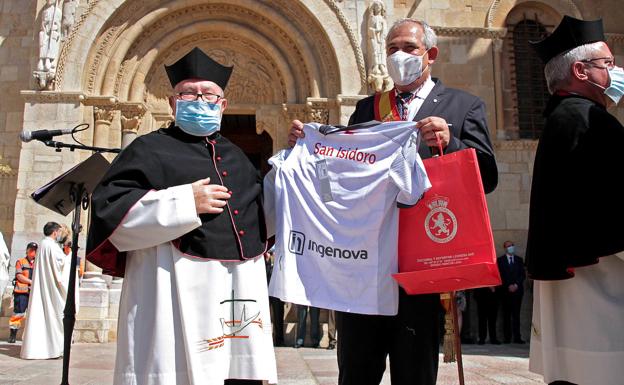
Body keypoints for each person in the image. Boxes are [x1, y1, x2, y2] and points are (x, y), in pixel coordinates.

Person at [289, 18, 497, 385]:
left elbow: (488, 178)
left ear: (430, 54)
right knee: (356, 371)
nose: (398, 56)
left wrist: (453, 142)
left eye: (408, 48)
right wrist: (307, 146)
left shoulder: (463, 106)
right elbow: (339, 175)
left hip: (423, 262)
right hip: (366, 263)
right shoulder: (368, 108)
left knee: (414, 373)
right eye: (391, 48)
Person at [86, 47, 276, 385]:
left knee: (237, 374)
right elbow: (109, 211)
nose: (200, 99)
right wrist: (184, 202)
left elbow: (266, 214)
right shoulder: (146, 149)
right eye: (189, 93)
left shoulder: (238, 159)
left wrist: (296, 162)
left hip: (237, 291)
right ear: (173, 103)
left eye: (209, 94)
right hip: (169, 284)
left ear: (223, 105)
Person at [526, 15, 624, 385]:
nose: (616, 71)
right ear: (580, 70)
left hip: (576, 286)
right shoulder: (589, 121)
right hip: (600, 287)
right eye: (608, 64)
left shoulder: (563, 117)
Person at [21, 222, 68, 359]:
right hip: (52, 288)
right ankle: (52, 349)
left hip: (44, 285)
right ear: (54, 232)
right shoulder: (52, 247)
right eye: (59, 232)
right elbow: (62, 265)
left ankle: (36, 349)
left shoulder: (42, 244)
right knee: (54, 316)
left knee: (40, 314)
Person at [7, 242, 38, 343]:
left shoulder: (38, 263)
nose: (33, 252)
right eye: (31, 250)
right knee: (18, 314)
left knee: (33, 314)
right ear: (27, 250)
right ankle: (13, 334)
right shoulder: (20, 261)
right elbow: (19, 276)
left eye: (35, 250)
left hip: (34, 292)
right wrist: (31, 282)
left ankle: (30, 336)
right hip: (21, 292)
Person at [497, 240, 525, 344]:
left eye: (512, 245)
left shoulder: (519, 260)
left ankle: (517, 337)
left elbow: (522, 275)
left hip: (517, 292)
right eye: (508, 246)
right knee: (506, 315)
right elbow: (500, 276)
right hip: (505, 292)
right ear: (505, 248)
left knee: (516, 315)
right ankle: (507, 337)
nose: (511, 247)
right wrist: (508, 285)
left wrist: (516, 285)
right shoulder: (500, 261)